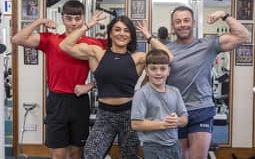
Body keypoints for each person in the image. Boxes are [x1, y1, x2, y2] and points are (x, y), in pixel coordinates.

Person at [59, 12, 173, 159]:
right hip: (104, 115)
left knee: (128, 155)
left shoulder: (137, 58)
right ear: (110, 33)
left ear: (131, 36)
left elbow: (168, 57)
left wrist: (148, 36)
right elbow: (65, 45)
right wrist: (88, 25)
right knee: (91, 154)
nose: (122, 34)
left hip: (130, 114)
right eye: (117, 29)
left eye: (126, 30)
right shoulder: (97, 53)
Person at [12, 0, 107, 159]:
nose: (73, 23)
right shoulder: (51, 39)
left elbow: (114, 72)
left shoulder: (92, 43)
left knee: (76, 152)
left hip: (79, 100)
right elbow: (17, 39)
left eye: (78, 19)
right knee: (58, 153)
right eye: (69, 18)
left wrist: (90, 85)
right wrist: (40, 21)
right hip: (57, 101)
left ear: (83, 18)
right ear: (62, 18)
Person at [166, 6, 250, 159]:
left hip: (201, 109)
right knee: (181, 156)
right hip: (175, 110)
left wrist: (224, 15)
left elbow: (244, 36)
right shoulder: (166, 50)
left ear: (193, 23)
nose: (182, 24)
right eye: (177, 21)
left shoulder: (208, 44)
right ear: (173, 26)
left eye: (186, 20)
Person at [131, 49, 188, 159]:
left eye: (162, 69)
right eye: (153, 69)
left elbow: (185, 119)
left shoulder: (175, 91)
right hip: (153, 147)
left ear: (168, 71)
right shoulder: (141, 94)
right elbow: (136, 124)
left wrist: (177, 121)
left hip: (174, 146)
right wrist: (163, 124)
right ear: (146, 71)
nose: (158, 72)